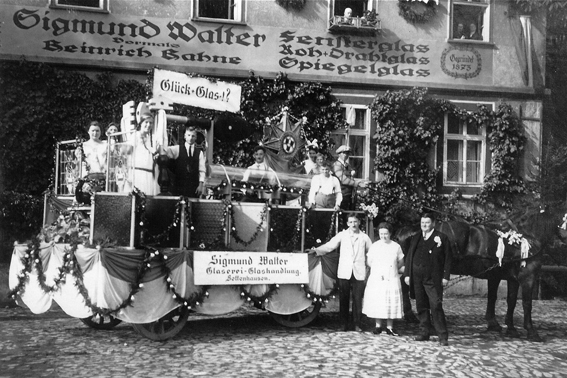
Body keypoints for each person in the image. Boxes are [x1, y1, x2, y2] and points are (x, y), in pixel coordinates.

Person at [310, 213, 372, 332]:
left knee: (357, 299)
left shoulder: (364, 237)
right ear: (348, 223)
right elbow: (330, 246)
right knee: (343, 298)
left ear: (359, 222)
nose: (353, 224)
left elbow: (372, 251)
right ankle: (343, 324)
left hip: (359, 271)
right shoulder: (342, 235)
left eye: (355, 222)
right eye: (351, 222)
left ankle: (356, 324)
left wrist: (372, 264)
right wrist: (317, 250)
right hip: (344, 271)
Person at [403, 212, 452, 346]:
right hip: (417, 277)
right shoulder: (416, 237)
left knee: (436, 305)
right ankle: (424, 332)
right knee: (421, 305)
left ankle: (442, 336)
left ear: (433, 223)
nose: (424, 225)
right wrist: (407, 274)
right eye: (422, 223)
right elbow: (409, 256)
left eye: (427, 223)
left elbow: (448, 259)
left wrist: (446, 276)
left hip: (433, 278)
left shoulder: (441, 238)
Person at [363, 222, 405, 336]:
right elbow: (369, 262)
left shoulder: (396, 246)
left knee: (390, 301)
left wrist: (393, 269)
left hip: (391, 278)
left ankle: (390, 327)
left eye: (386, 234)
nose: (383, 236)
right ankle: (378, 326)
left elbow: (401, 261)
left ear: (390, 233)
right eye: (381, 234)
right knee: (379, 301)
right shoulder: (375, 246)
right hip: (377, 278)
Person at [163, 125, 206, 198]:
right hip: (179, 186)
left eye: (193, 136)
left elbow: (202, 171)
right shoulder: (177, 149)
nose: (190, 138)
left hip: (193, 188)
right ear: (185, 136)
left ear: (196, 138)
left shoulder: (199, 153)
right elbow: (164, 150)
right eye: (188, 135)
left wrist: (201, 185)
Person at [132, 112, 161, 195]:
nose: (148, 125)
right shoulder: (135, 136)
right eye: (146, 122)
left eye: (151, 123)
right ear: (141, 123)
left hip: (150, 175)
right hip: (138, 174)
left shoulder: (153, 138)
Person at [332, 145, 357, 210]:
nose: (346, 155)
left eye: (347, 153)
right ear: (339, 154)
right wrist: (356, 183)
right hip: (340, 193)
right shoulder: (337, 165)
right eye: (344, 153)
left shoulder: (347, 165)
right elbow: (343, 179)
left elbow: (351, 177)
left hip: (349, 194)